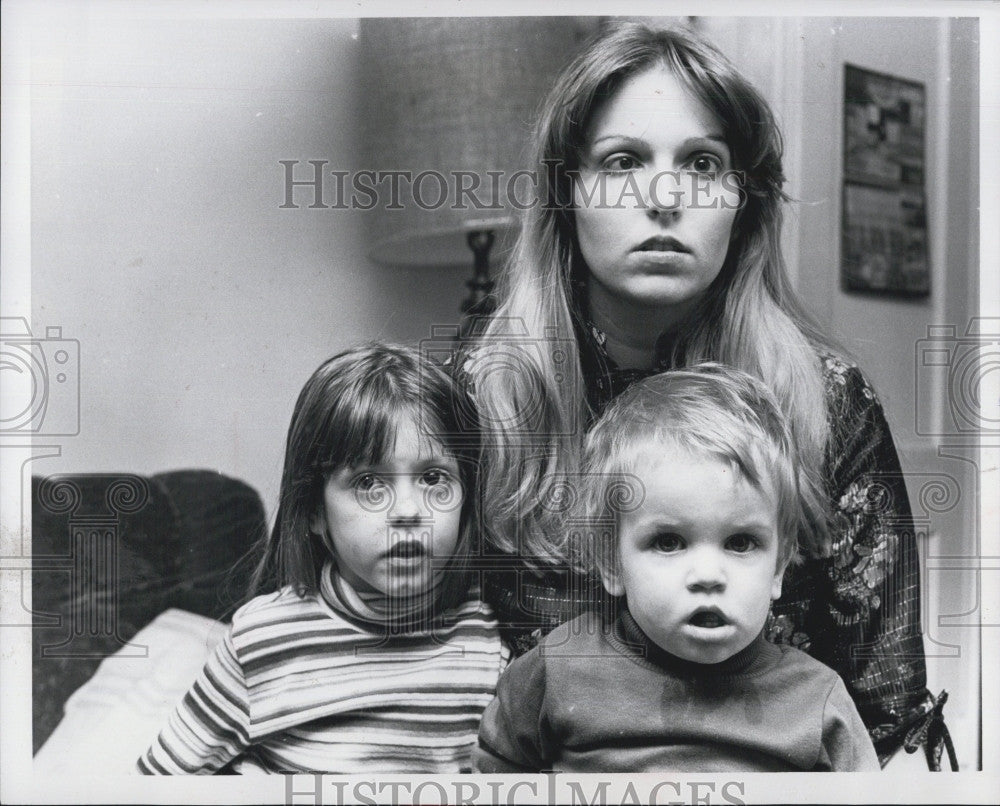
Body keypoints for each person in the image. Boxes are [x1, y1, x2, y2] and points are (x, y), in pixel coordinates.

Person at [459, 22, 953, 768]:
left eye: (701, 164)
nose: (663, 197)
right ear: (566, 196)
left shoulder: (830, 403)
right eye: (622, 162)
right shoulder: (475, 393)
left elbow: (886, 718)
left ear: (743, 204)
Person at [475, 365, 880, 772]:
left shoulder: (818, 704)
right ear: (611, 561)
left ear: (778, 565)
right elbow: (492, 774)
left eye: (740, 543)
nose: (708, 575)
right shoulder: (557, 672)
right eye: (668, 542)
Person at [137, 344, 507, 774]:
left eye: (432, 478)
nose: (408, 510)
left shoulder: (491, 636)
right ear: (314, 511)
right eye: (369, 481)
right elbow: (156, 783)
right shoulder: (262, 642)